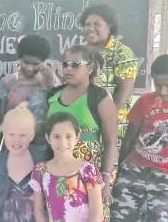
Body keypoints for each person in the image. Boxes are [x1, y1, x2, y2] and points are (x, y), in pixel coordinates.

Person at [111, 54, 168, 222]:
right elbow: (128, 140)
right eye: (157, 85)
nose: (163, 91)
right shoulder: (145, 101)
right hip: (133, 172)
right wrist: (119, 177)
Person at [46, 45, 117, 221]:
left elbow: (110, 141)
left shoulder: (99, 97)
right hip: (58, 169)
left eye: (76, 64)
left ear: (90, 68)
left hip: (89, 175)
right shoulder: (53, 95)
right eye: (65, 64)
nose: (69, 69)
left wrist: (106, 178)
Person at [30, 112, 104, 222]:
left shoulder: (88, 170)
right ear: (48, 138)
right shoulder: (40, 170)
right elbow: (38, 210)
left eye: (69, 136)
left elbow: (97, 214)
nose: (63, 143)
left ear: (77, 137)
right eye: (56, 137)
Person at [81, 3, 139, 144]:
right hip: (83, 124)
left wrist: (102, 119)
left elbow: (123, 94)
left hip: (110, 126)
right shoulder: (81, 52)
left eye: (97, 24)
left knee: (107, 165)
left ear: (109, 27)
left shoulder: (121, 52)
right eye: (87, 24)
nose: (90, 28)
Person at [0, 103, 45, 222]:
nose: (16, 140)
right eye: (11, 134)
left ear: (32, 136)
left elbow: (49, 203)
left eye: (22, 135)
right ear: (4, 134)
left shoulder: (42, 163)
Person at [0, 35, 54, 130]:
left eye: (35, 64)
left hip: (42, 142)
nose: (29, 68)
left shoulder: (50, 82)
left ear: (43, 62)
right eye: (26, 62)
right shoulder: (7, 83)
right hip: (13, 141)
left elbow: (55, 113)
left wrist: (49, 86)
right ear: (19, 59)